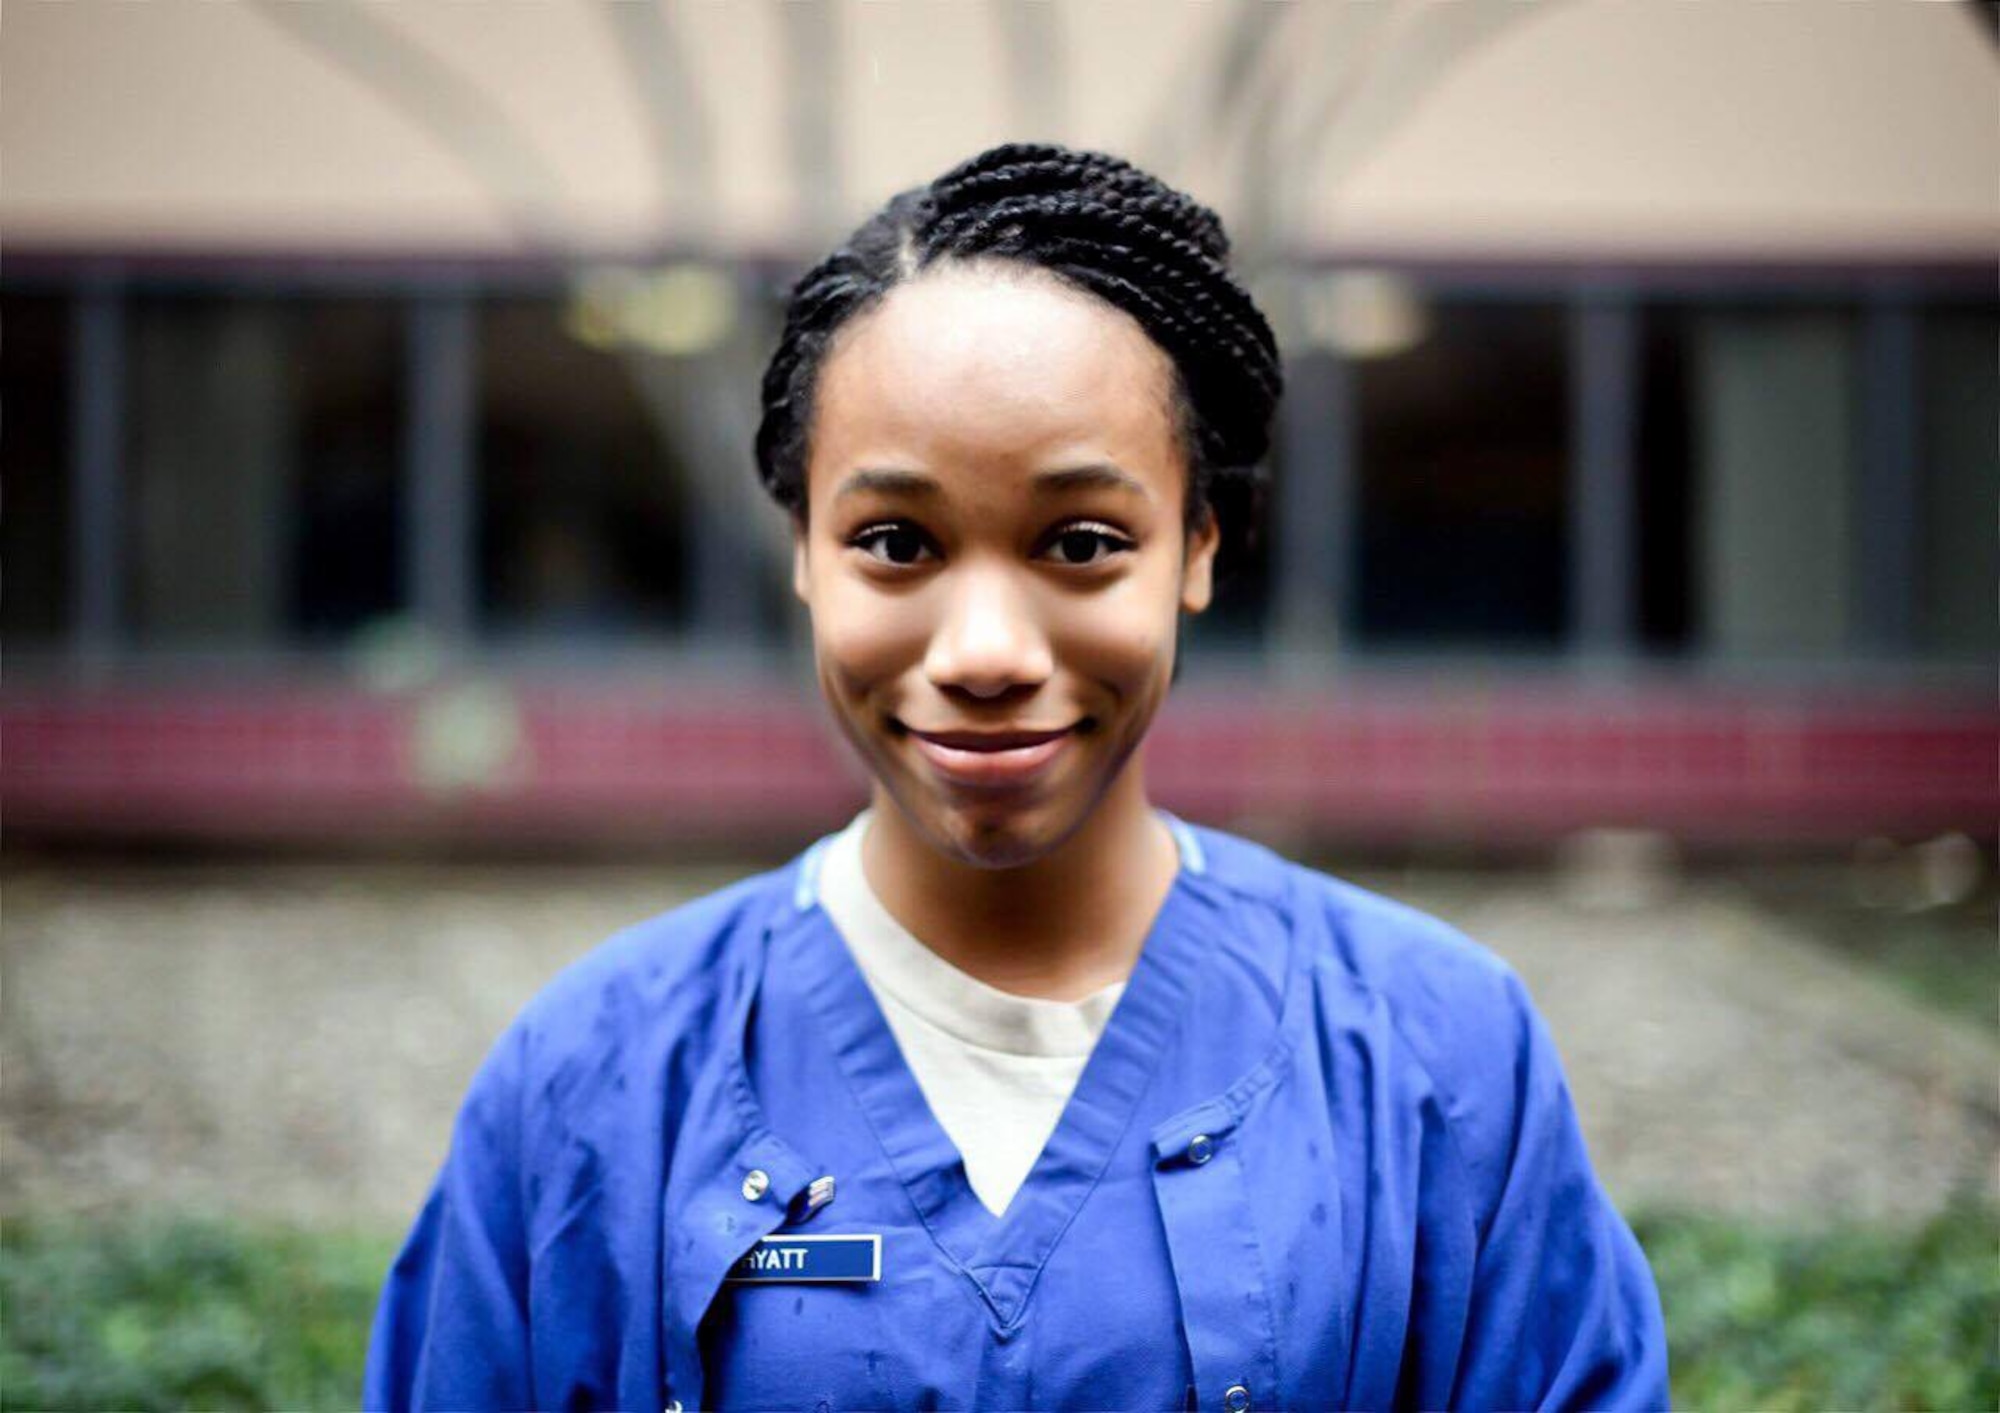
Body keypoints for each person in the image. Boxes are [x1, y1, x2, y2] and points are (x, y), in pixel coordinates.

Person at [364, 142, 1669, 1412]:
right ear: (805, 552)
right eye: (894, 540)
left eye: (1083, 540)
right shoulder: (595, 1081)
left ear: (1198, 546)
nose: (985, 651)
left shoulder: (1435, 1057)